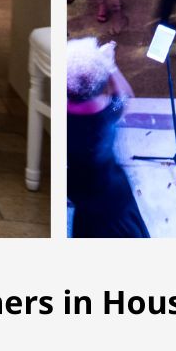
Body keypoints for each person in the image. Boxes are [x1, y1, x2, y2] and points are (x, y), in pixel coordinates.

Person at [64, 38, 149, 238]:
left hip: (81, 193)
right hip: (112, 196)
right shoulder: (107, 114)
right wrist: (110, 66)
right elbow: (124, 96)